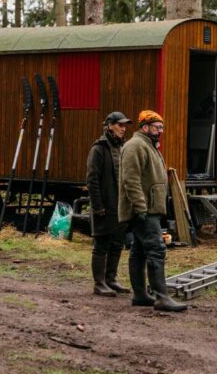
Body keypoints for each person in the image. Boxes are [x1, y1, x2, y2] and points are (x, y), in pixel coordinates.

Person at [119, 110, 187, 312]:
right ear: (145, 127)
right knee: (156, 249)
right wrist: (140, 207)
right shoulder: (135, 146)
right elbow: (130, 179)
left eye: (162, 127)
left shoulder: (149, 145)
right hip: (144, 209)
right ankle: (162, 297)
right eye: (157, 127)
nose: (161, 131)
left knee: (139, 250)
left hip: (150, 208)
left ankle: (141, 295)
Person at [86, 111, 132, 297]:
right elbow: (92, 180)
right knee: (101, 245)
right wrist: (98, 207)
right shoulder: (98, 149)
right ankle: (99, 284)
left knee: (117, 244)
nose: (123, 128)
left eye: (125, 125)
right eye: (120, 125)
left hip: (120, 206)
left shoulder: (122, 148)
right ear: (109, 125)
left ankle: (111, 279)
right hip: (104, 207)